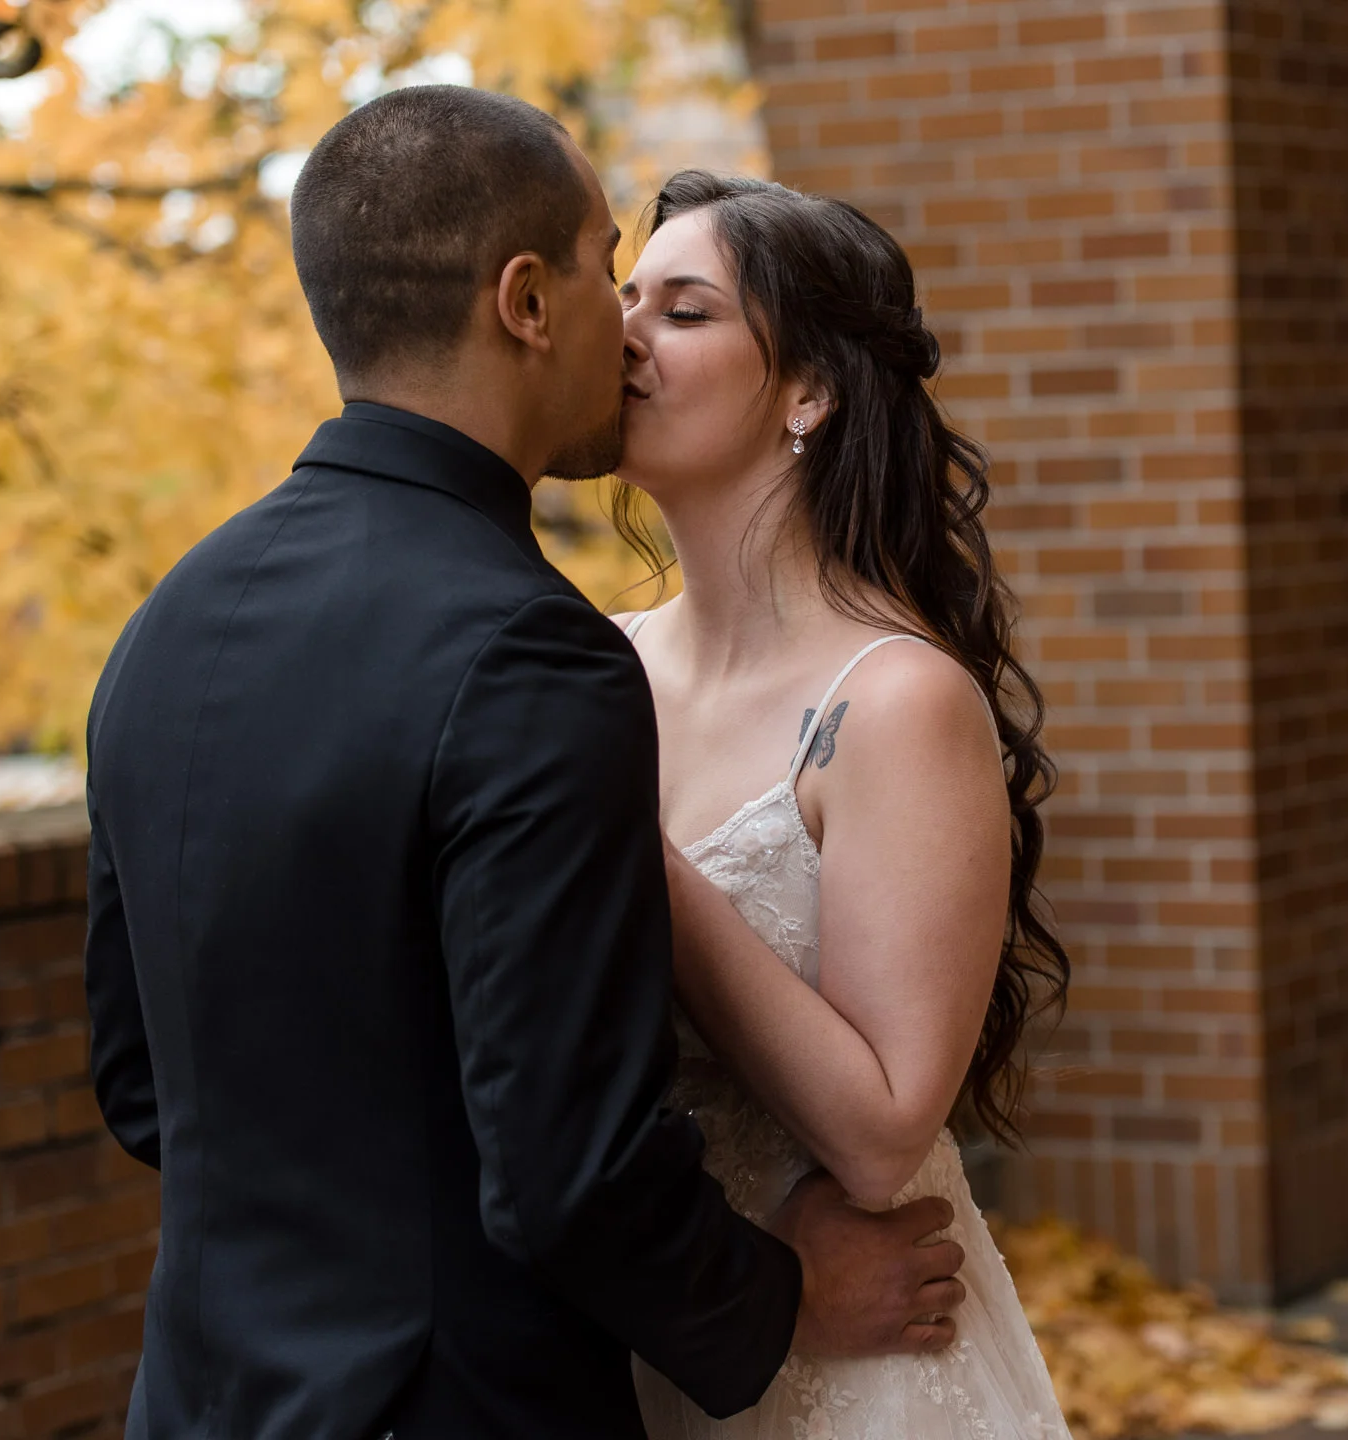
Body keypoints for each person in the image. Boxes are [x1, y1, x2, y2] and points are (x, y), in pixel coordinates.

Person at [81, 89, 967, 1440]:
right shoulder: (529, 655)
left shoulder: (171, 623)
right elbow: (565, 1172)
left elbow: (145, 1083)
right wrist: (780, 1301)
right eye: (609, 271)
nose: (623, 327)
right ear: (524, 303)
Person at [610, 172, 1075, 1440]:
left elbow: (880, 1135)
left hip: (864, 1368)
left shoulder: (899, 701)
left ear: (808, 391)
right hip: (654, 1341)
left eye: (686, 310)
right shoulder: (594, 662)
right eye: (624, 299)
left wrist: (630, 852)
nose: (625, 336)